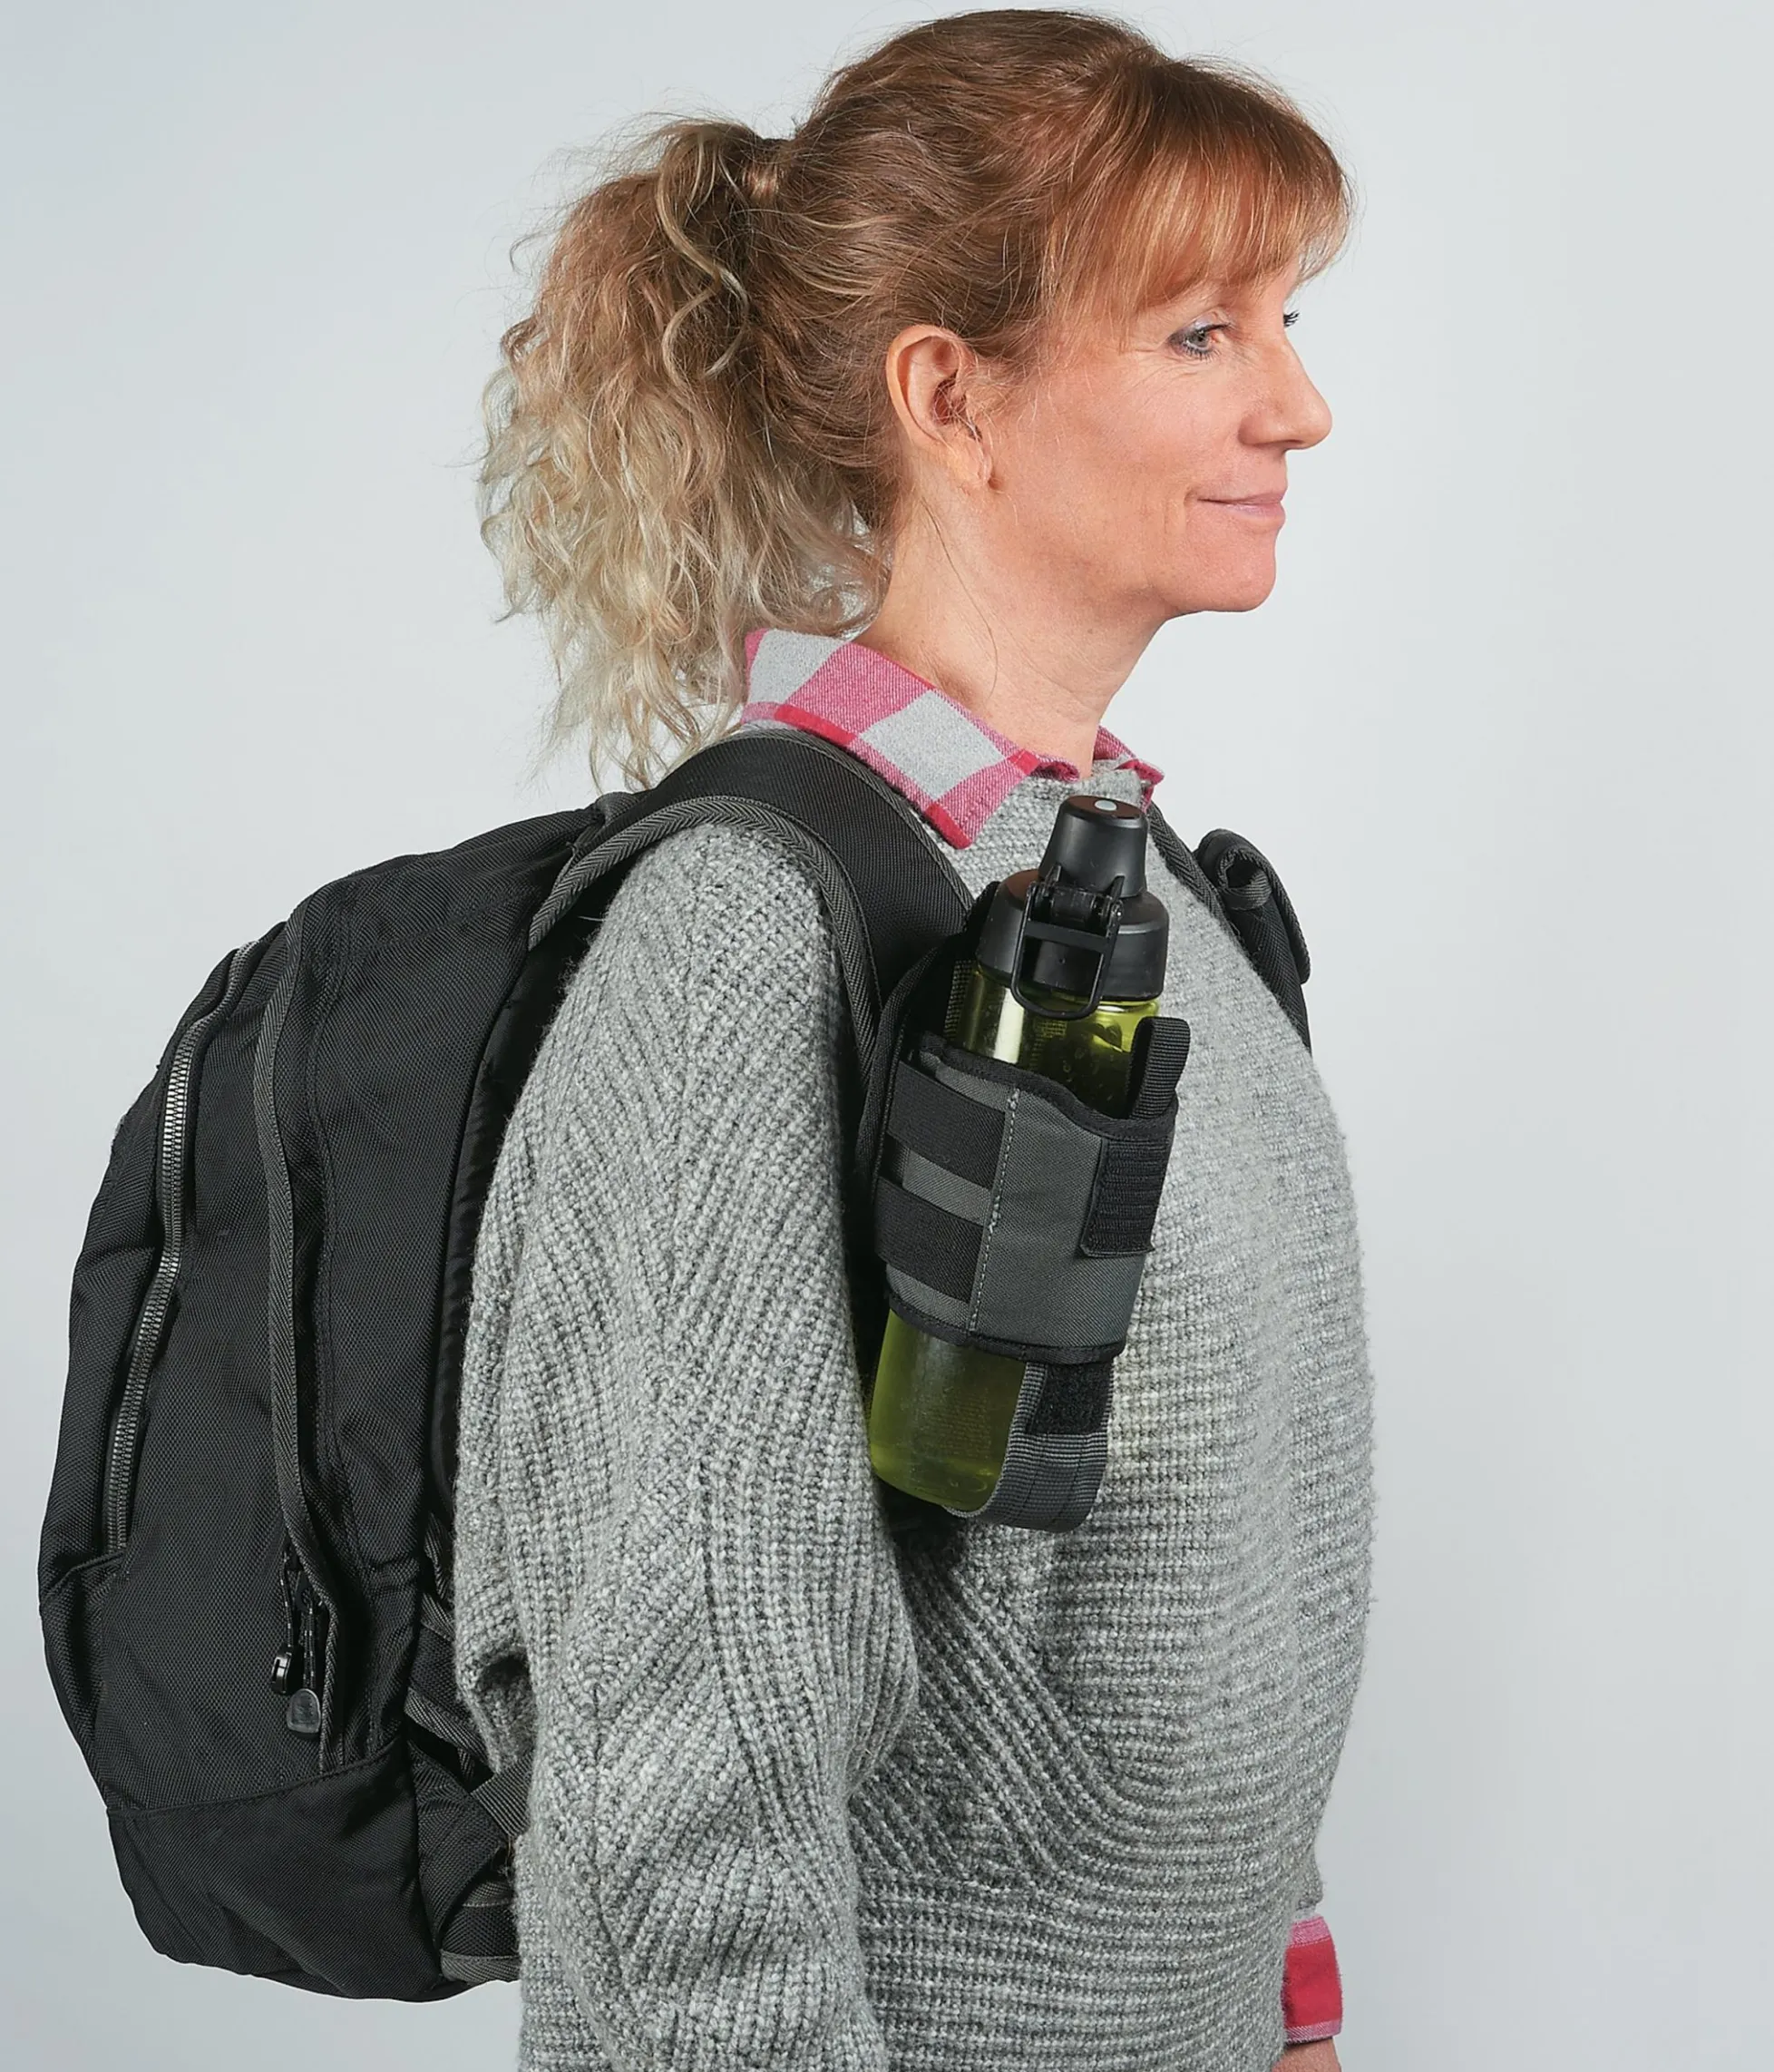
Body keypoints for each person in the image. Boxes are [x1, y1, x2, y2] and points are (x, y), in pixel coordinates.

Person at [455, 11, 1373, 2068]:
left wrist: (1284, 2008)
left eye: (1285, 322)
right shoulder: (745, 932)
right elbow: (670, 1805)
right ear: (951, 396)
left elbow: (1209, 1580)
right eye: (1202, 335)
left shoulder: (1150, 897)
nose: (1298, 407)